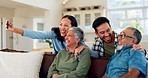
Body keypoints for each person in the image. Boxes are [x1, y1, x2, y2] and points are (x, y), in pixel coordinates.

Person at [6, 15, 83, 54]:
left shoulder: (77, 38)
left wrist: (82, 47)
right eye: (61, 24)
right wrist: (14, 29)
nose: (62, 28)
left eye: (66, 25)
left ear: (73, 28)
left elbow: (92, 54)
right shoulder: (54, 34)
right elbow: (36, 34)